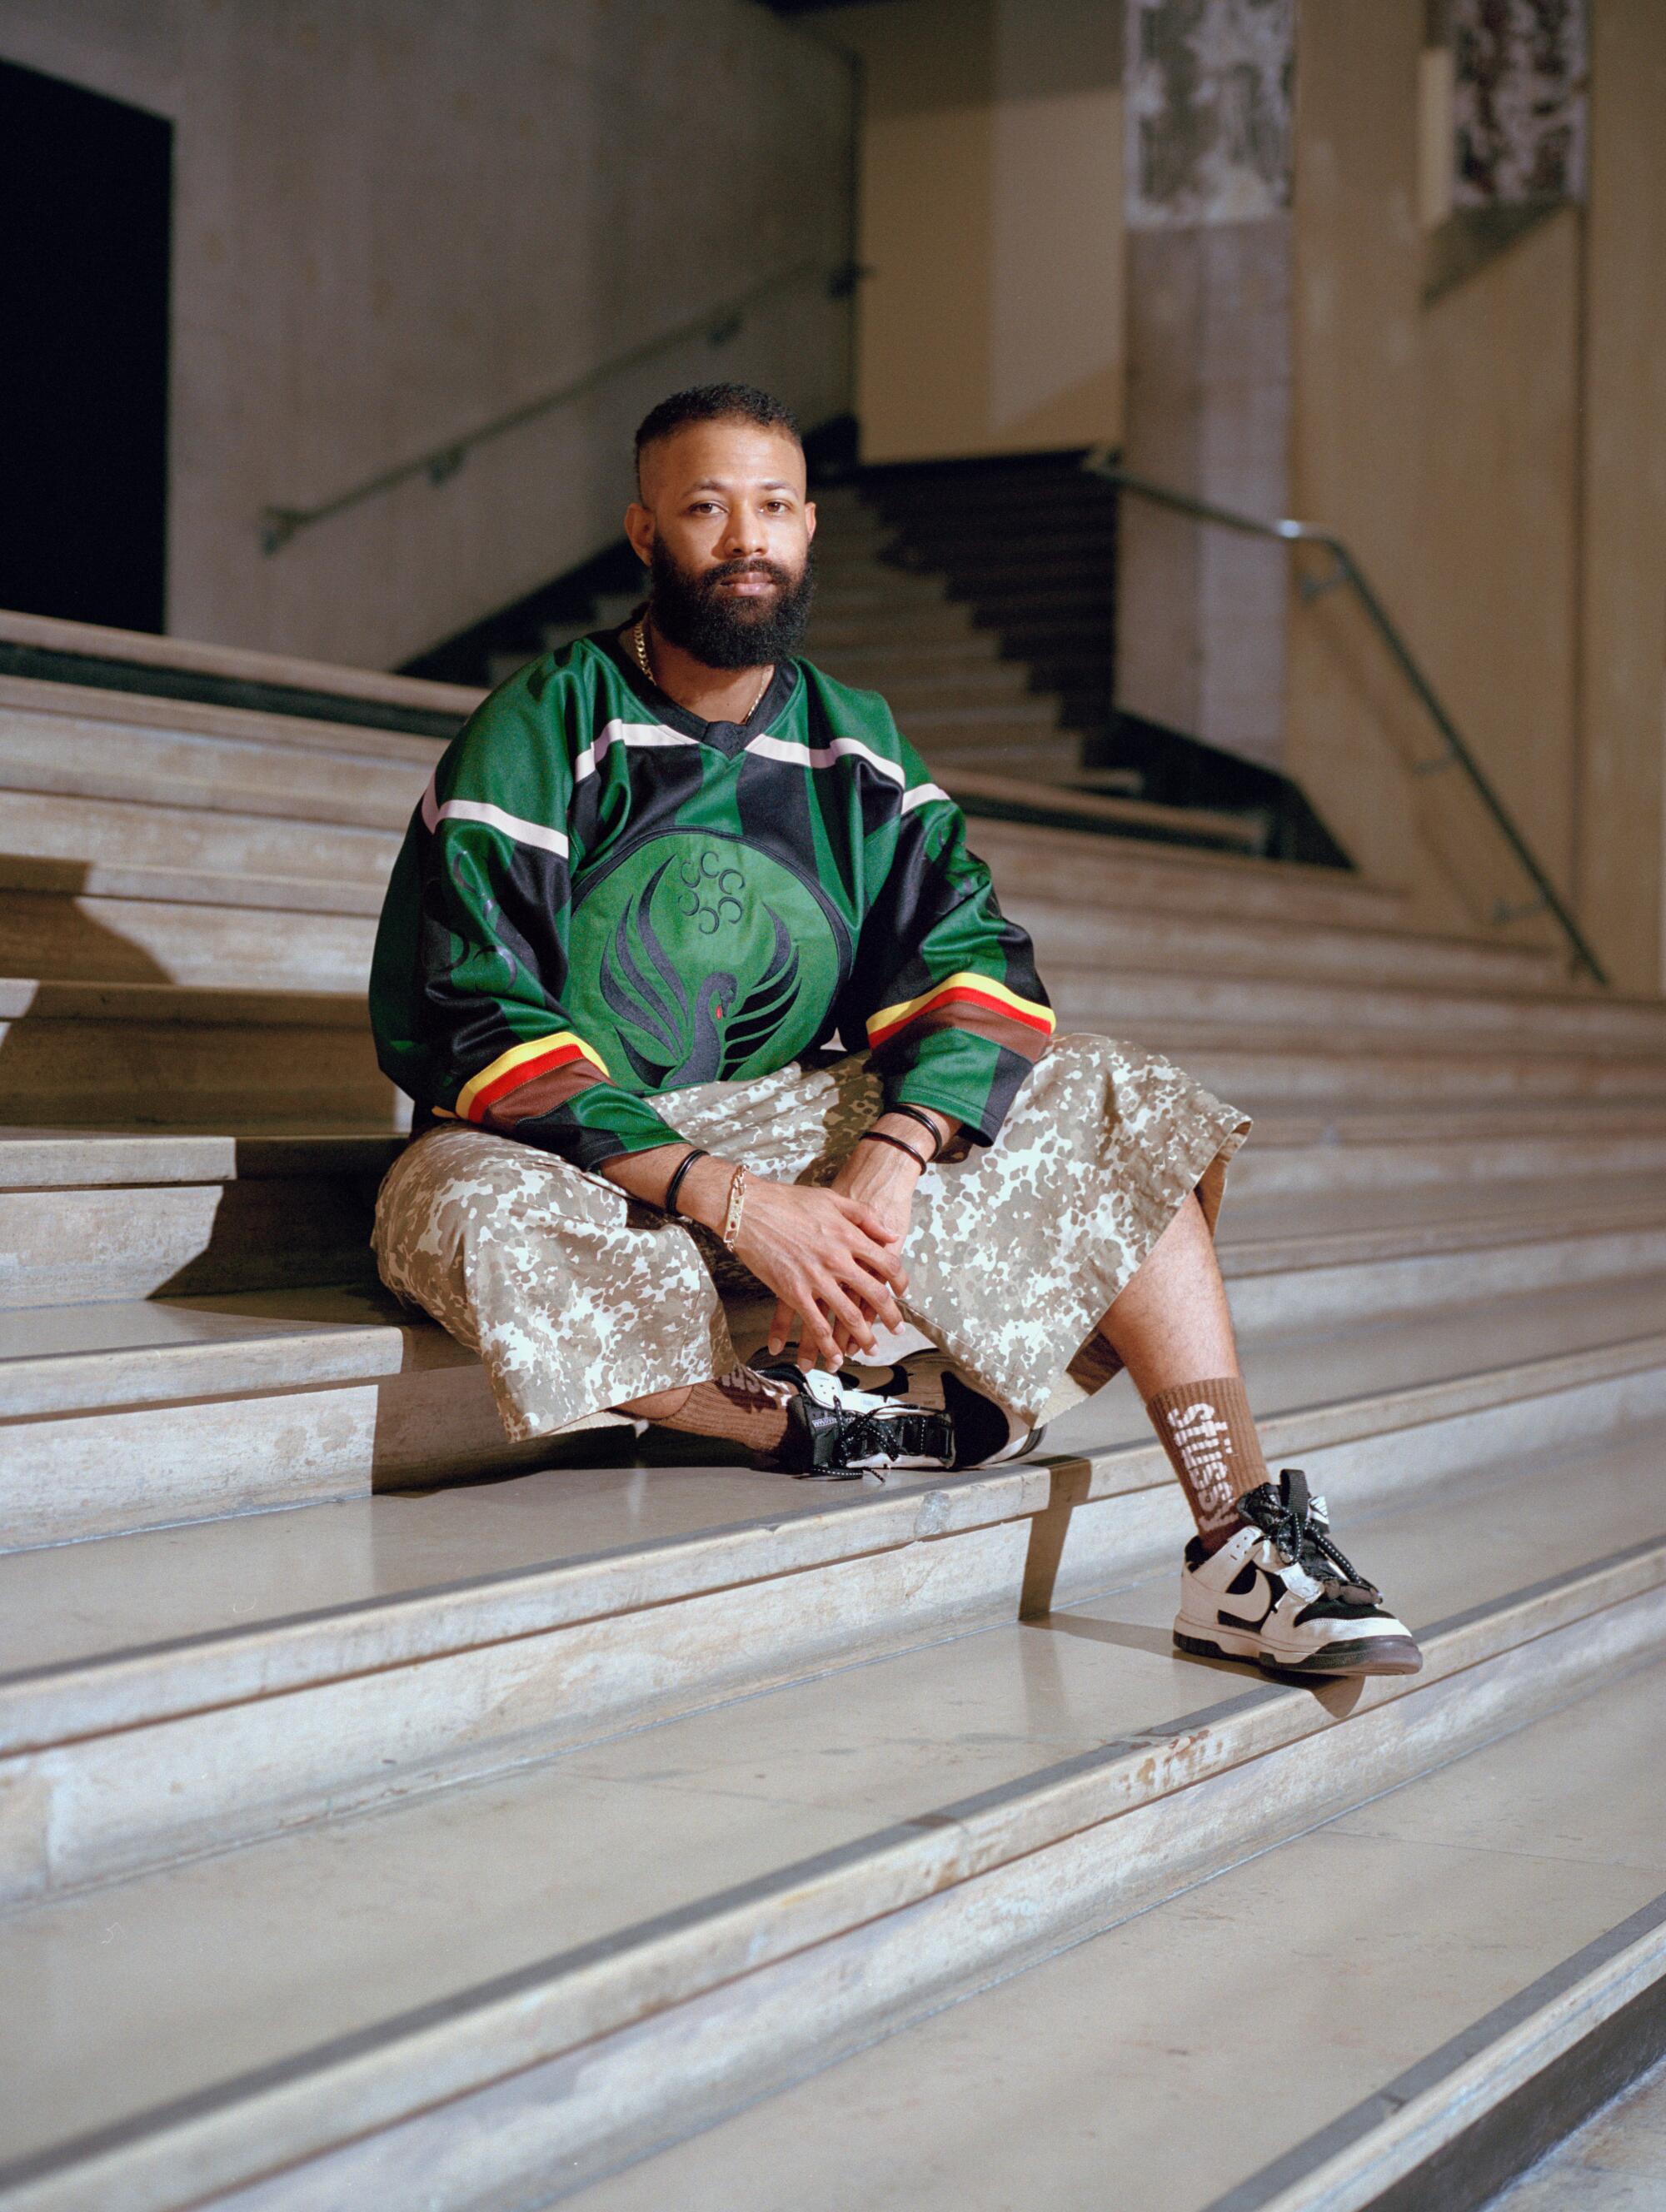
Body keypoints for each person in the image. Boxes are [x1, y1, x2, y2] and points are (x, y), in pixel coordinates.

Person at [368, 382, 1420, 1681]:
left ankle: (1238, 1542)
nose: (742, 537)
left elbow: (975, 960)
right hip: (588, 1152)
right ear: (646, 534)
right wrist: (735, 1202)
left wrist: (896, 1154)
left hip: (783, 1117)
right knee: (450, 1211)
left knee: (1115, 1097)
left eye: (770, 509)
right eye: (705, 509)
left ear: (809, 530)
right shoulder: (544, 724)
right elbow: (475, 1008)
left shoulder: (853, 743)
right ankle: (802, 1424)